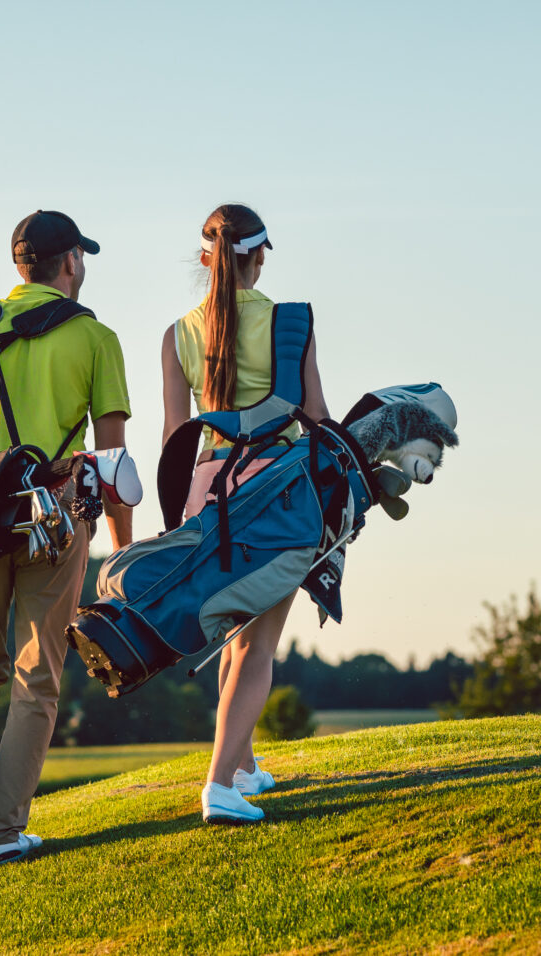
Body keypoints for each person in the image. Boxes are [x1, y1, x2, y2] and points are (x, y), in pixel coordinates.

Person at [0, 210, 133, 869]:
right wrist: (122, 551)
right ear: (69, 264)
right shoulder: (95, 338)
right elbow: (111, 462)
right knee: (36, 675)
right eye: (79, 258)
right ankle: (3, 833)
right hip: (52, 522)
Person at [161, 203, 329, 824]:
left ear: (207, 259)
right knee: (259, 646)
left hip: (208, 488)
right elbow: (315, 416)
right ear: (257, 257)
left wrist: (180, 517)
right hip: (276, 491)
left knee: (233, 635)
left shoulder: (177, 332)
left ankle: (242, 767)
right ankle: (218, 788)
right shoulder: (291, 322)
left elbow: (176, 435)